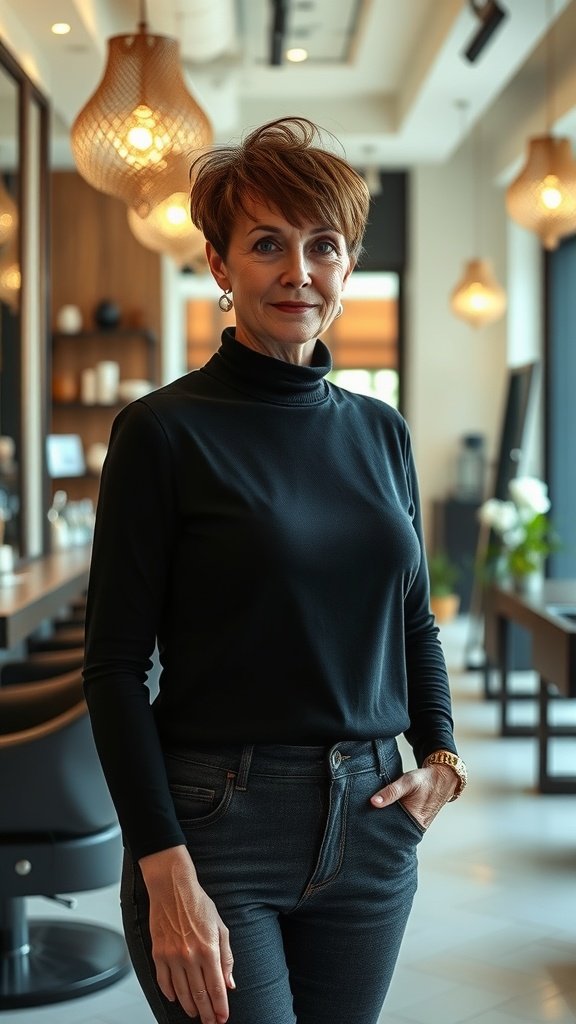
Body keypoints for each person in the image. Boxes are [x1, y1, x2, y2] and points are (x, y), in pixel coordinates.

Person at [83, 116, 467, 1024]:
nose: (300, 271)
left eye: (323, 245)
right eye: (267, 244)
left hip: (373, 826)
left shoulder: (382, 433)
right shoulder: (163, 433)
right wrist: (161, 862)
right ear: (220, 265)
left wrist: (442, 753)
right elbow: (113, 669)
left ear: (349, 263)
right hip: (216, 829)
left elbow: (412, 619)